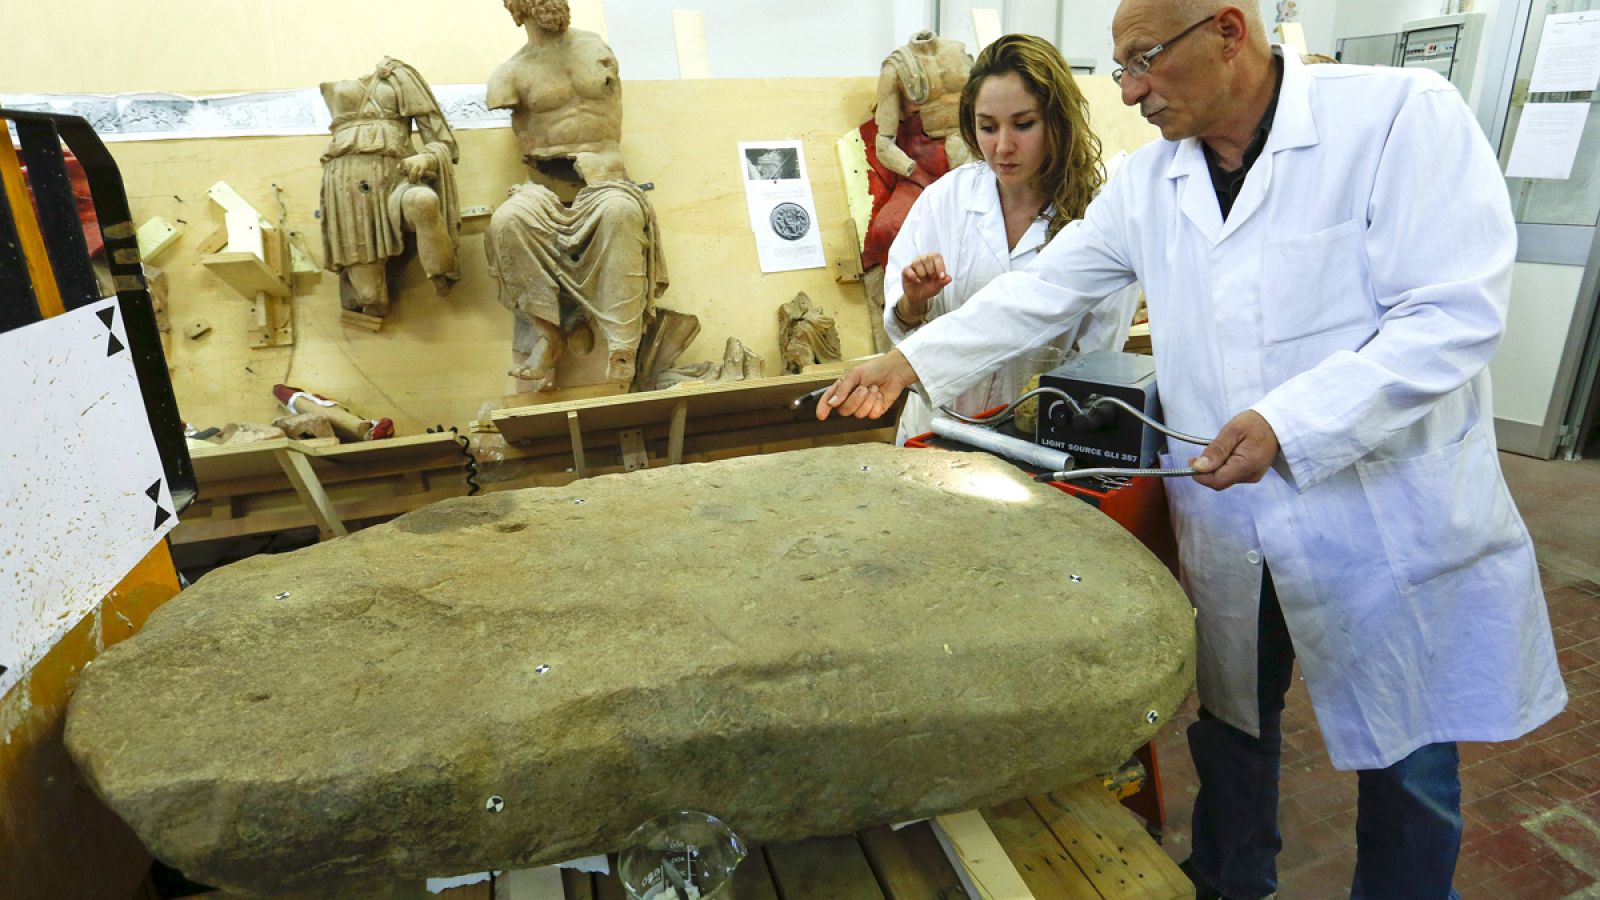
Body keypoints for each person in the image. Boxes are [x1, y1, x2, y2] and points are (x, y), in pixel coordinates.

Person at [818, 2, 1567, 898]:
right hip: (1232, 510)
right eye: (1120, 65)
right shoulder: (1151, 182)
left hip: (1378, 514)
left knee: (1409, 760)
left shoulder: (1399, 118)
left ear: (1227, 30)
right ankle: (1230, 881)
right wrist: (908, 356)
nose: (1128, 90)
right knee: (1231, 725)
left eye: (1143, 61)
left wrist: (1294, 420)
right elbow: (1047, 289)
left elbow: (1453, 314)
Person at [883, 33, 1140, 443]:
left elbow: (1095, 356)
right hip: (934, 431)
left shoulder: (1098, 216)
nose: (1002, 146)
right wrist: (914, 302)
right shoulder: (946, 199)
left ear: (1058, 120)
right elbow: (901, 324)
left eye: (1023, 125)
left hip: (1035, 441)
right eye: (987, 127)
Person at [485, 0, 669, 391]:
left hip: (606, 181)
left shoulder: (596, 49)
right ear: (517, 8)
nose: (553, 3)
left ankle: (623, 345)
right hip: (545, 188)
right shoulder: (509, 74)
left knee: (620, 213)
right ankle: (547, 337)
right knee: (507, 221)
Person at [318, 57, 461, 317]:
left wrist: (425, 157)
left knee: (424, 202)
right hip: (347, 189)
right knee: (371, 299)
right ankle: (361, 289)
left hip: (397, 180)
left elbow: (444, 143)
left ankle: (442, 272)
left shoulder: (399, 75)